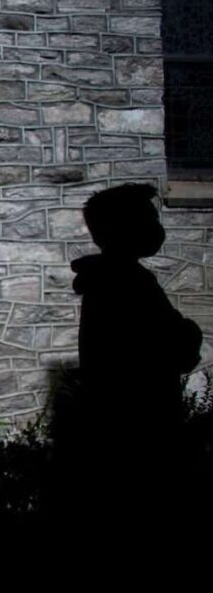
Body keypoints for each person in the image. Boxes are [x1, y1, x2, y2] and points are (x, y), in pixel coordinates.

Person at [63, 183, 204, 519]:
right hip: (140, 427)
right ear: (126, 228)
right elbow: (173, 345)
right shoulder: (130, 285)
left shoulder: (108, 280)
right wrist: (189, 332)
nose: (157, 226)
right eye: (149, 217)